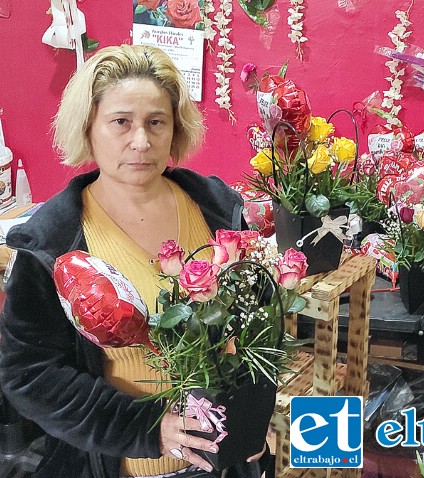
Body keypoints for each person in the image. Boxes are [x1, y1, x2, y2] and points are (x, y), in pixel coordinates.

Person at [0, 45, 269, 478]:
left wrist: (257, 410)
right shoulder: (51, 241)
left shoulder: (219, 210)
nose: (141, 141)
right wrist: (150, 429)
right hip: (124, 467)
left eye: (156, 122)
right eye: (121, 122)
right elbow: (29, 376)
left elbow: (253, 326)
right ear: (88, 127)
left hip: (227, 462)